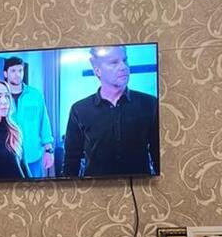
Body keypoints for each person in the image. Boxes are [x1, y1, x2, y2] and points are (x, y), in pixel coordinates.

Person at [63, 45, 159, 178]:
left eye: (125, 60)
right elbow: (71, 161)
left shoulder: (150, 104)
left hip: (141, 187)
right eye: (114, 62)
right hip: (94, 188)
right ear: (98, 71)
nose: (123, 67)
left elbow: (159, 154)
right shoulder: (79, 110)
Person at [2, 56, 54, 177]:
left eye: (20, 70)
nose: (17, 74)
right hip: (7, 157)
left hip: (32, 157)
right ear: (5, 73)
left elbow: (44, 122)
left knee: (35, 188)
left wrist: (49, 150)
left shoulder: (35, 95)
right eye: (13, 71)